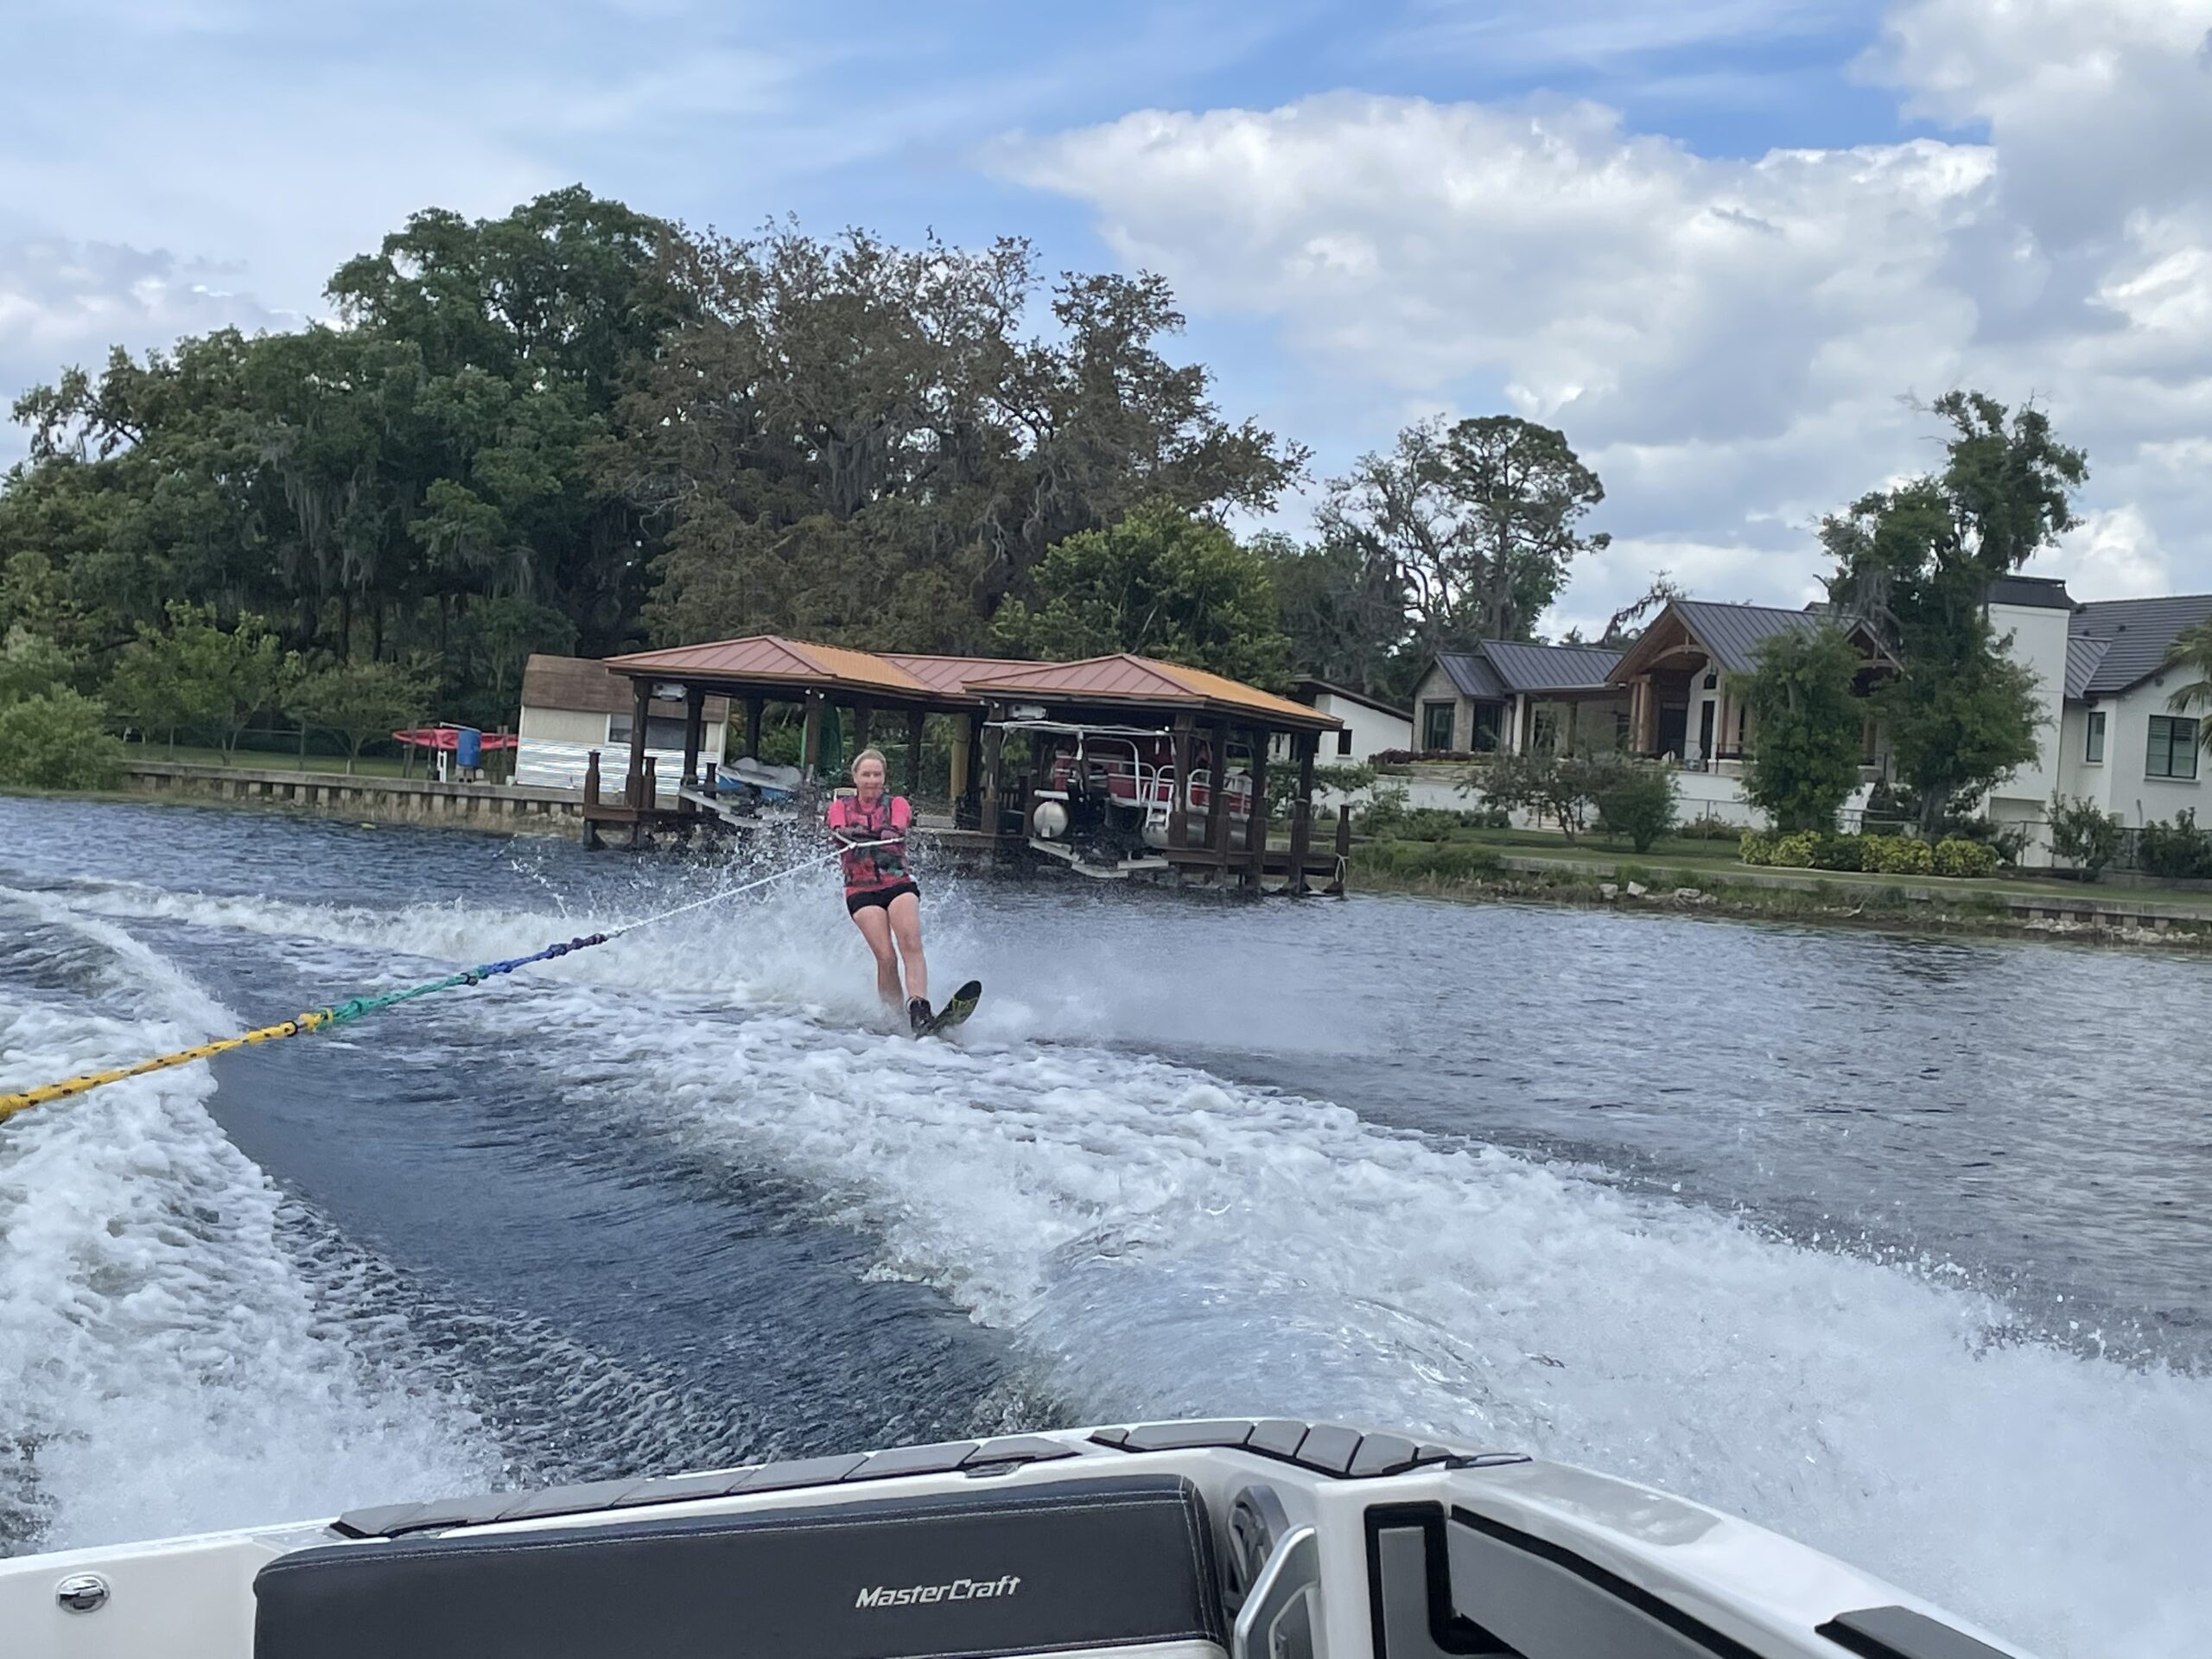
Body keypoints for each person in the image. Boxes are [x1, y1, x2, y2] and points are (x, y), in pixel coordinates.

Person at [827, 747, 932, 1031]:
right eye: (866, 774)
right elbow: (837, 827)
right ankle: (893, 1017)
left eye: (877, 774)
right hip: (861, 890)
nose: (872, 780)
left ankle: (919, 1006)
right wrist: (847, 833)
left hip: (897, 883)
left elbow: (898, 827)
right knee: (886, 956)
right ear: (855, 777)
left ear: (884, 778)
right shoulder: (839, 807)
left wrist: (881, 833)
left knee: (910, 942)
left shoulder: (897, 804)